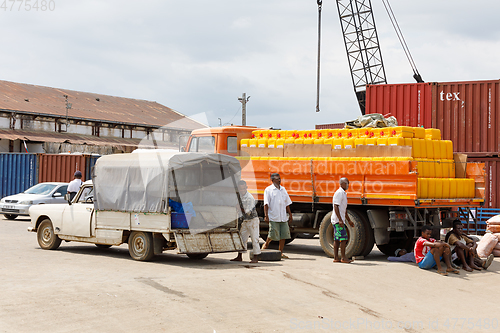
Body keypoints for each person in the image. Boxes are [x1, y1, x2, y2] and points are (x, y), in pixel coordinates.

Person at [261, 173, 293, 259]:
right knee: (272, 234)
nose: (279, 180)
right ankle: (266, 245)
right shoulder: (268, 190)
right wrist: (266, 215)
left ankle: (280, 252)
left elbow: (287, 203)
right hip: (274, 216)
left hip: (283, 217)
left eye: (279, 179)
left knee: (284, 235)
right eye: (277, 179)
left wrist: (290, 214)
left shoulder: (283, 190)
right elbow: (266, 204)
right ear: (272, 180)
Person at [231, 180, 261, 263]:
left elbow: (248, 212)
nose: (243, 190)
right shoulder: (239, 196)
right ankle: (239, 256)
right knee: (242, 238)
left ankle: (256, 257)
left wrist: (238, 208)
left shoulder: (250, 198)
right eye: (241, 189)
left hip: (252, 220)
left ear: (246, 188)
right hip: (246, 220)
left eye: (244, 188)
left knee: (255, 239)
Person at [331, 177, 354, 263]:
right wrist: (340, 220)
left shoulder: (343, 193)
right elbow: (336, 206)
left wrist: (348, 220)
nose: (348, 185)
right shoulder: (339, 193)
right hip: (337, 220)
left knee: (337, 239)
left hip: (339, 219)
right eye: (347, 183)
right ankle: (343, 258)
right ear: (342, 184)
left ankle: (336, 257)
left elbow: (344, 209)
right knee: (343, 239)